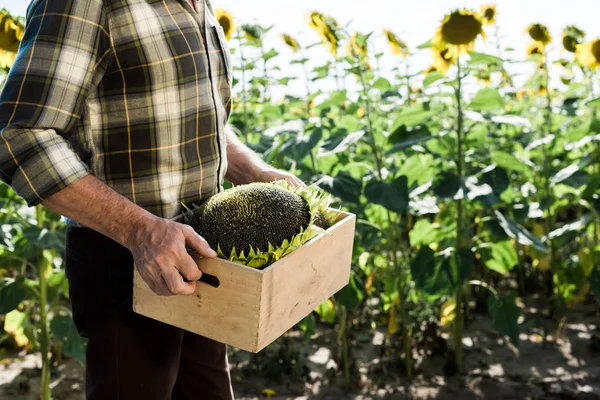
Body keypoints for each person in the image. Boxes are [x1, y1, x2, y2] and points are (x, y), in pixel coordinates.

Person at [0, 0, 302, 398]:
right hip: (125, 264)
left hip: (204, 261)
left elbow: (190, 116)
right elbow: (20, 134)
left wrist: (253, 171)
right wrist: (141, 230)